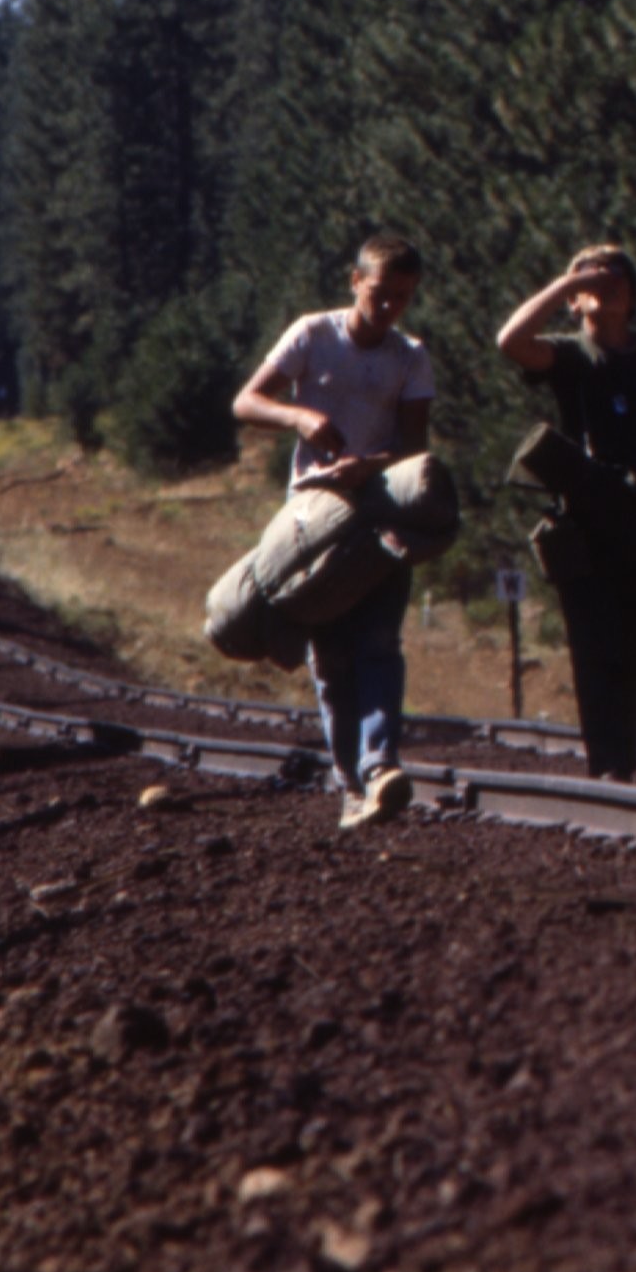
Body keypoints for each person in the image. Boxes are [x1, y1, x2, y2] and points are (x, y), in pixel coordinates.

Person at [495, 245, 636, 780]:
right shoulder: (569, 355)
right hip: (586, 523)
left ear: (634, 296)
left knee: (633, 650)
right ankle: (607, 765)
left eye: (617, 277)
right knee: (592, 649)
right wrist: (564, 281)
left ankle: (621, 763)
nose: (606, 285)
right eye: (593, 280)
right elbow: (510, 342)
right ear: (575, 301)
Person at [232, 232, 438, 829]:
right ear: (355, 281)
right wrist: (298, 415)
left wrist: (369, 466)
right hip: (312, 521)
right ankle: (351, 785)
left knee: (378, 643)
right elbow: (246, 402)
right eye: (380, 292)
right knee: (330, 657)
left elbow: (414, 447)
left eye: (403, 297)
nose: (390, 307)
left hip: (379, 513)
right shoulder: (312, 335)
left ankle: (380, 767)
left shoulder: (409, 356)